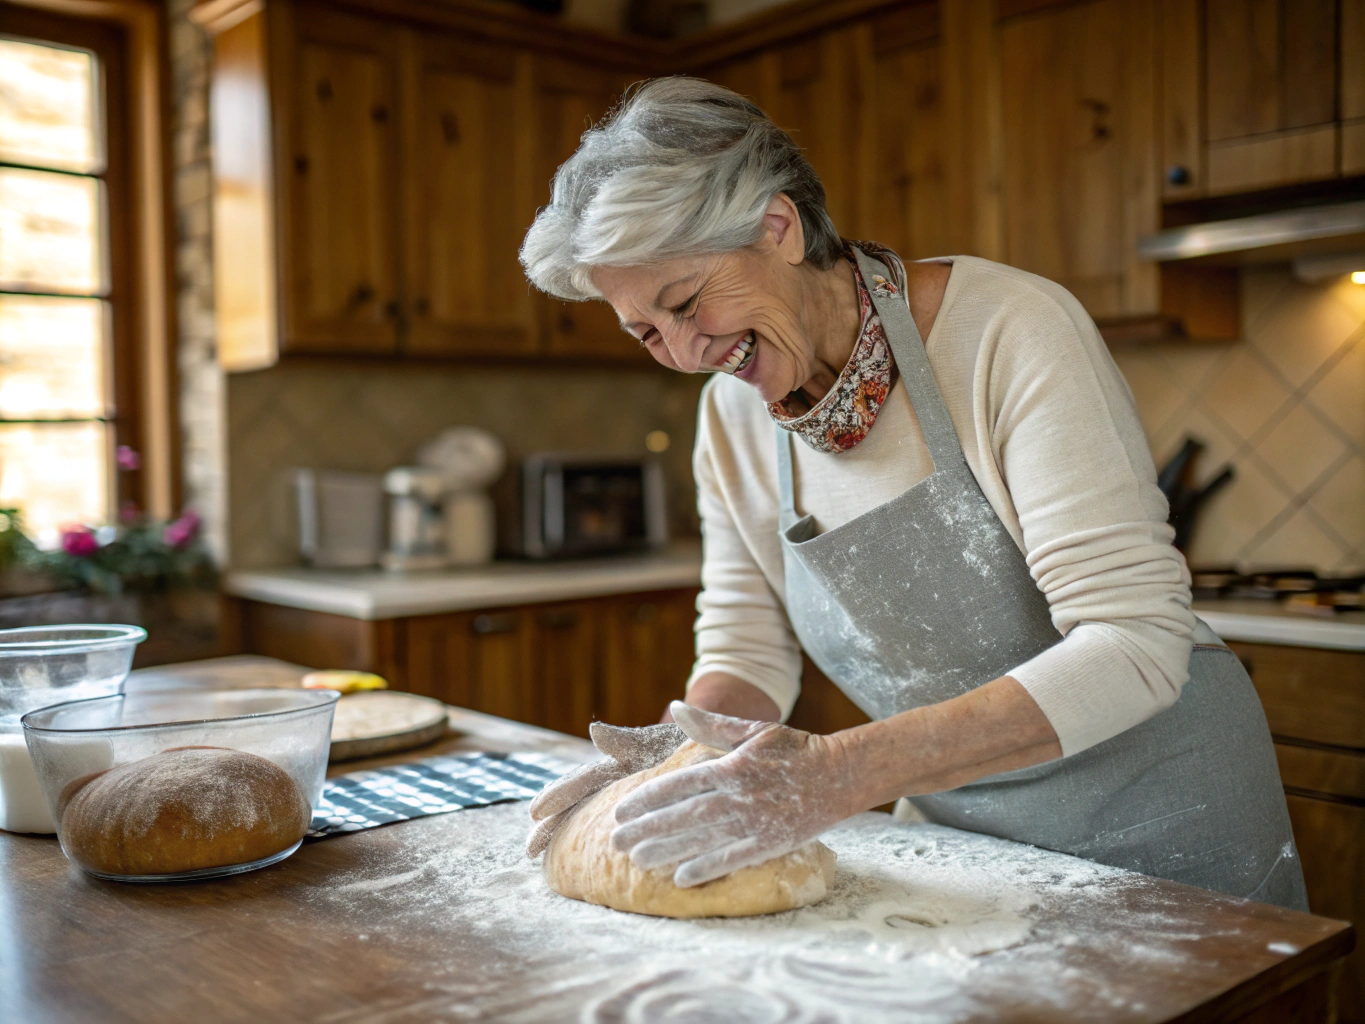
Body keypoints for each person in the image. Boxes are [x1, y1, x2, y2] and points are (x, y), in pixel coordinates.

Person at [518, 78, 1307, 910]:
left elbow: (1134, 641)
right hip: (960, 845)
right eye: (645, 331)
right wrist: (675, 761)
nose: (683, 351)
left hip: (1165, 829)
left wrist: (835, 774)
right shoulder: (731, 420)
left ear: (777, 228)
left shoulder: (1008, 330)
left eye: (685, 301)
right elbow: (746, 649)